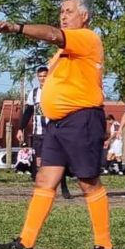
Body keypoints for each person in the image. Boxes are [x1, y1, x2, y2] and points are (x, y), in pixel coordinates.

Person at [0, 0, 115, 249]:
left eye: (69, 11)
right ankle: (24, 245)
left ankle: (103, 246)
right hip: (57, 125)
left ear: (84, 16)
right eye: (61, 11)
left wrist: (18, 27)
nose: (63, 15)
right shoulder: (62, 53)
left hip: (82, 119)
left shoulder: (86, 37)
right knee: (45, 181)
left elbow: (52, 34)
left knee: (87, 182)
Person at [17, 66, 72, 199]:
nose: (42, 79)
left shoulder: (57, 92)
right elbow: (28, 112)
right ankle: (42, 188)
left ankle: (63, 185)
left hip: (54, 131)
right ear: (37, 78)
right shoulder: (34, 93)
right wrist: (21, 128)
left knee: (59, 160)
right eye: (40, 76)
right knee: (39, 161)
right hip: (39, 132)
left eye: (45, 76)